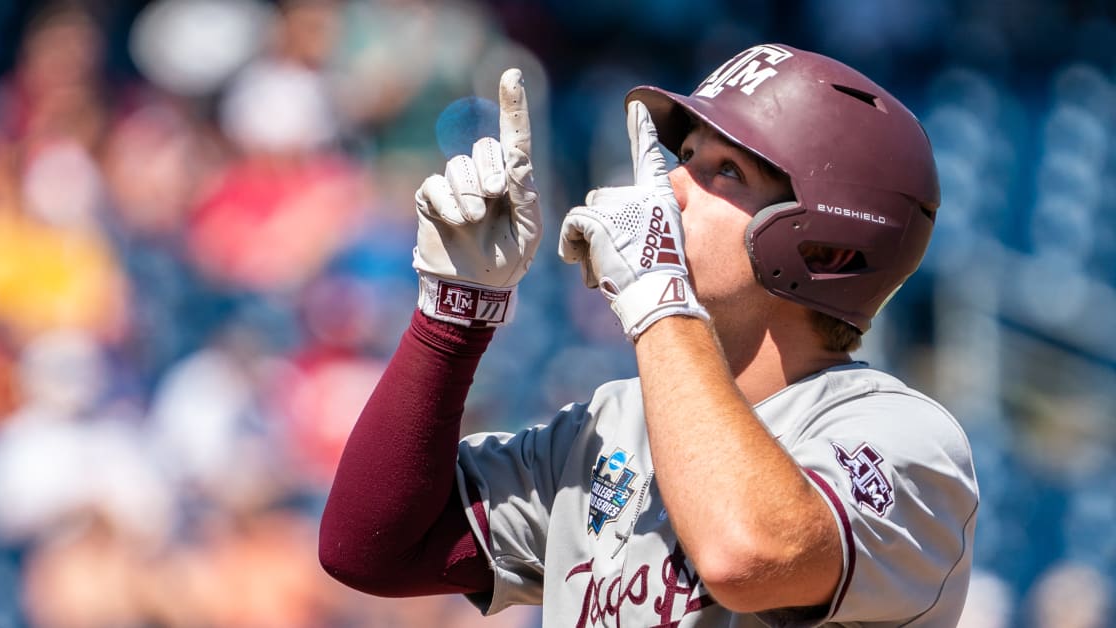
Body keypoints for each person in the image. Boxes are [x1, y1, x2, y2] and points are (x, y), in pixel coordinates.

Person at [319, 44, 978, 627]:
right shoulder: (610, 424)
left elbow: (743, 552)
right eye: (684, 156)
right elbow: (370, 549)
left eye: (725, 172)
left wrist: (658, 298)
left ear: (828, 250)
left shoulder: (907, 439)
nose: (669, 187)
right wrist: (453, 314)